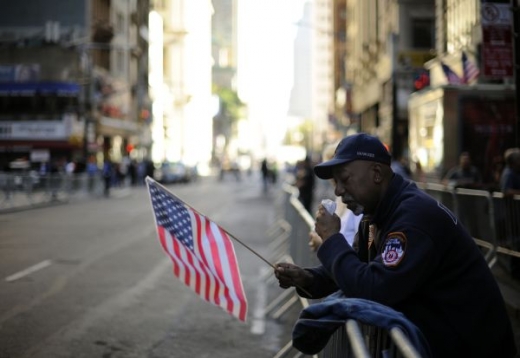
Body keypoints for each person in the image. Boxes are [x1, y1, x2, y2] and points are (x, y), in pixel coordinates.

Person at [274, 133, 516, 357]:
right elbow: (357, 266)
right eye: (336, 182)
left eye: (345, 179)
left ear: (377, 173)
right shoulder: (374, 214)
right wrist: (308, 279)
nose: (338, 191)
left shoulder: (412, 217)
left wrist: (331, 239)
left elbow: (372, 288)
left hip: (470, 348)